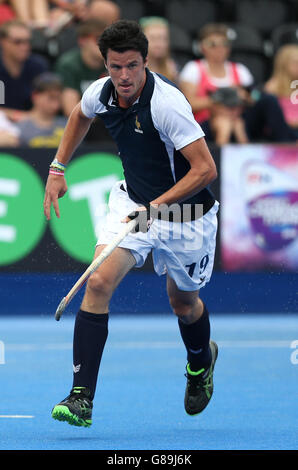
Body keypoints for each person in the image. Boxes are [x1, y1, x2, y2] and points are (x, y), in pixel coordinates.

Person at [44, 19, 219, 427]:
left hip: (187, 216)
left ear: (146, 62)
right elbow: (78, 116)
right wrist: (57, 167)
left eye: (132, 66)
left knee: (184, 303)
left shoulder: (167, 104)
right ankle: (80, 397)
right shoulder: (100, 92)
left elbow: (205, 170)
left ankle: (200, 363)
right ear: (105, 63)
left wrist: (157, 206)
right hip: (133, 204)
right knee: (99, 281)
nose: (123, 76)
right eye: (115, 66)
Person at [179, 23, 297, 144]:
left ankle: (286, 144)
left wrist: (243, 96)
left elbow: (255, 96)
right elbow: (187, 105)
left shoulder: (240, 70)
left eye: (224, 44)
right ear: (201, 46)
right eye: (212, 44)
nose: (219, 48)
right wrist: (218, 101)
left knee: (268, 100)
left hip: (239, 117)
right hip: (207, 121)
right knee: (224, 124)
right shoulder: (193, 69)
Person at [54, 18, 107, 117]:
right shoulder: (69, 64)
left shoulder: (114, 64)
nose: (105, 44)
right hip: (81, 124)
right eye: (99, 39)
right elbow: (70, 110)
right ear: (82, 40)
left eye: (109, 40)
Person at [0, 19, 48, 122]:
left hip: (32, 124)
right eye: (17, 42)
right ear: (2, 42)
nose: (24, 47)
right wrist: (16, 115)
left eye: (28, 41)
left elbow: (48, 101)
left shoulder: (38, 66)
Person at [16, 73, 67, 147]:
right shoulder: (18, 128)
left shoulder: (68, 125)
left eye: (59, 99)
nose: (56, 105)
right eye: (51, 98)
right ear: (35, 96)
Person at [264, 44, 298, 139]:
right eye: (295, 63)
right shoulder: (272, 87)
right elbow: (273, 119)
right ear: (284, 65)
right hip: (283, 132)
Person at [140, 16, 178, 83]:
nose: (158, 44)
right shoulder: (135, 69)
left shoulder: (171, 68)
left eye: (163, 38)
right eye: (153, 39)